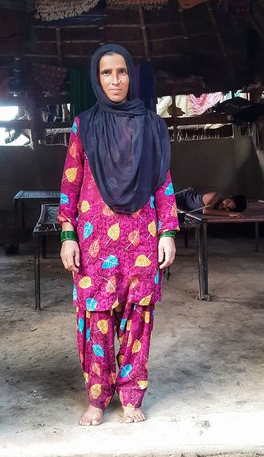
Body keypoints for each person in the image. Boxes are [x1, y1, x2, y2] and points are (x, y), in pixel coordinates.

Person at [58, 44, 179, 427]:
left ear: (132, 76)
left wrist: (168, 231)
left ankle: (130, 394)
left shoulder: (151, 124)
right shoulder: (84, 125)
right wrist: (68, 235)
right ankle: (97, 396)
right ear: (96, 78)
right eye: (107, 73)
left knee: (138, 319)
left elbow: (162, 182)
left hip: (141, 239)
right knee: (95, 319)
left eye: (122, 72)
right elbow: (71, 183)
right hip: (94, 241)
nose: (115, 80)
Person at [175, 188, 247, 217]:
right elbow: (206, 210)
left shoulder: (219, 210)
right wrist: (230, 213)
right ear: (229, 197)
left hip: (185, 207)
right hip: (183, 198)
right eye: (227, 202)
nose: (224, 206)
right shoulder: (217, 196)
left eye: (228, 208)